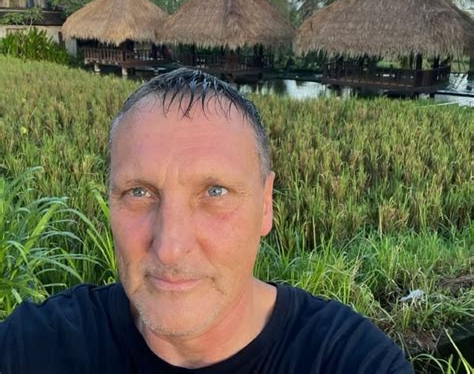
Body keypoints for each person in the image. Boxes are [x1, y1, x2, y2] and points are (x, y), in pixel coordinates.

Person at [0, 69, 413, 373]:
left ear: (265, 205)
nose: (170, 247)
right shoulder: (34, 348)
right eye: (139, 193)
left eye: (215, 192)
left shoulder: (350, 361)